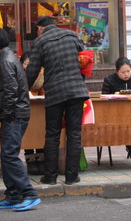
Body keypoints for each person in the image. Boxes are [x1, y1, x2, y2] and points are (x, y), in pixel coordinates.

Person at [26, 16, 89, 186]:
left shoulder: (39, 42)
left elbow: (32, 72)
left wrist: (24, 90)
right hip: (76, 92)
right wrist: (80, 83)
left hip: (54, 93)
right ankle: (71, 176)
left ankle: (50, 177)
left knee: (52, 134)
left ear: (40, 28)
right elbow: (85, 62)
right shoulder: (72, 35)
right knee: (74, 134)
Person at [0, 28, 41, 212]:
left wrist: (7, 112)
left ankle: (29, 194)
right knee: (7, 155)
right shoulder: (9, 57)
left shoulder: (5, 60)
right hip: (17, 112)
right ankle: (13, 195)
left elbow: (11, 88)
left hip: (15, 114)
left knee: (10, 155)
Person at [101, 57, 131, 170]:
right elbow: (103, 98)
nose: (126, 74)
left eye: (128, 71)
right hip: (117, 115)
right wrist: (113, 95)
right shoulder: (109, 80)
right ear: (117, 72)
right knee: (127, 127)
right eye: (123, 72)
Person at [20, 52, 44, 176]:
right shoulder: (19, 75)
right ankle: (30, 159)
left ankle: (41, 159)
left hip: (40, 107)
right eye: (26, 64)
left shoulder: (42, 74)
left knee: (39, 132)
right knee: (28, 133)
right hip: (25, 108)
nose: (29, 68)